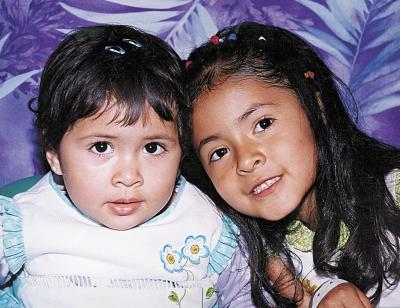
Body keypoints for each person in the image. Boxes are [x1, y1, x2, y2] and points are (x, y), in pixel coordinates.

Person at [0, 24, 257, 307]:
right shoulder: (24, 223)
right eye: (101, 147)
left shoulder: (206, 226)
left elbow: (246, 296)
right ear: (55, 155)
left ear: (181, 150)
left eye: (152, 148)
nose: (128, 176)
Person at [183, 21, 400, 307]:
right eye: (219, 152)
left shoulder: (393, 193)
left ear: (315, 104)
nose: (246, 160)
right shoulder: (244, 261)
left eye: (262, 124)